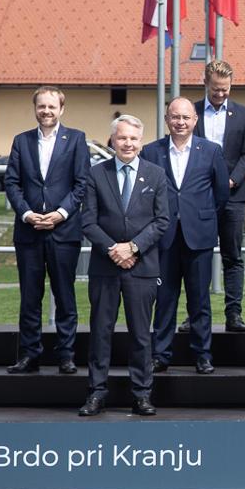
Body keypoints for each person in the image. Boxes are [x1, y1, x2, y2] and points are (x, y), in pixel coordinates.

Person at [76, 115, 170, 417]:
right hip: (106, 266)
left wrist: (134, 247)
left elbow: (162, 221)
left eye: (133, 138)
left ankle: (142, 394)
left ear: (140, 142)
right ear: (112, 141)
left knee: (142, 335)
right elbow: (87, 221)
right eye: (122, 138)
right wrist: (112, 249)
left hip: (142, 267)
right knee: (100, 332)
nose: (127, 143)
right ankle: (96, 392)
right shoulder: (95, 174)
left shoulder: (155, 175)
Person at [3, 86, 89, 374]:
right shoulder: (21, 141)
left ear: (61, 109)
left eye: (52, 107)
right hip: (29, 231)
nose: (47, 111)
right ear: (35, 109)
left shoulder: (76, 139)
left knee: (65, 294)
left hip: (64, 231)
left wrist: (60, 214)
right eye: (42, 106)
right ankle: (30, 354)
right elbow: (12, 183)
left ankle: (66, 354)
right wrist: (27, 214)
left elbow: (81, 184)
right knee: (30, 296)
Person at [140, 98, 228, 375]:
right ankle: (161, 354)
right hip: (163, 237)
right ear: (166, 119)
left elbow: (221, 194)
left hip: (198, 236)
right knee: (164, 298)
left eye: (186, 118)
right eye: (175, 117)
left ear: (195, 120)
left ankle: (202, 354)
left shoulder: (211, 151)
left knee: (199, 299)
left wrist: (200, 217)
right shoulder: (151, 151)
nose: (181, 122)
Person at [196, 60, 245, 334]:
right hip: (199, 197)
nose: (221, 94)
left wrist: (231, 180)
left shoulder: (243, 114)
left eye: (225, 89)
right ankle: (196, 314)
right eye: (216, 89)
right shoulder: (192, 112)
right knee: (198, 256)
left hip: (232, 196)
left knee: (233, 256)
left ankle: (234, 313)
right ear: (206, 83)